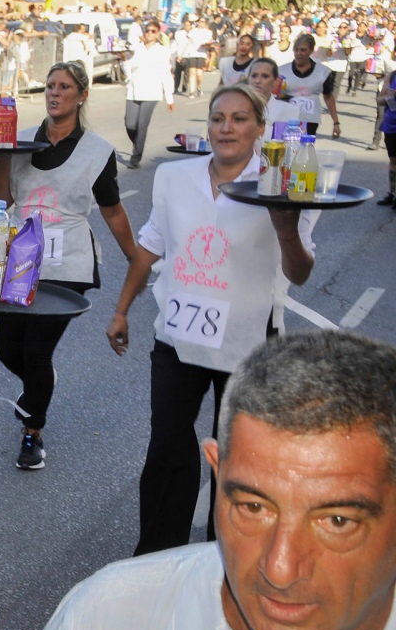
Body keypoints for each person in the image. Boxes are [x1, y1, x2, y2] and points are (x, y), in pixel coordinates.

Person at [31, 330, 396, 630]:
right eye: (253, 507)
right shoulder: (101, 624)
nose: (280, 570)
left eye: (337, 521)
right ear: (218, 474)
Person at [106, 84, 316, 556]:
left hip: (248, 343)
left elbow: (300, 273)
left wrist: (285, 228)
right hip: (179, 337)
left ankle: (230, 556)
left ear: (260, 129)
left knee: (237, 457)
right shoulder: (175, 178)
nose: (227, 128)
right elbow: (150, 245)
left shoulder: (280, 183)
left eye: (240, 119)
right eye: (218, 118)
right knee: (167, 450)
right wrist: (122, 310)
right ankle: (159, 556)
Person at [0, 62, 136, 470]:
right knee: (6, 349)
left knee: (36, 351)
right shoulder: (17, 143)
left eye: (65, 86)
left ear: (81, 95)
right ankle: (40, 385)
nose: (55, 93)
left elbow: (113, 210)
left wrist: (134, 256)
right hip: (21, 257)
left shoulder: (97, 151)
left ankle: (32, 433)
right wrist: (3, 158)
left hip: (68, 261)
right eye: (50, 86)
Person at [120, 20, 175, 169]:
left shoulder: (163, 51)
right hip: (133, 90)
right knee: (130, 124)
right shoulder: (137, 49)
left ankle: (135, 157)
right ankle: (138, 143)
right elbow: (128, 68)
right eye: (147, 30)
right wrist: (124, 61)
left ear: (158, 34)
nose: (149, 33)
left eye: (153, 31)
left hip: (152, 92)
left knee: (142, 125)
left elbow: (166, 74)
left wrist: (169, 98)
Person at [278, 33, 340, 138]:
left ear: (311, 51)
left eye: (303, 50)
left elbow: (328, 96)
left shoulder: (323, 72)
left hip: (310, 119)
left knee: (303, 151)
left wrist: (336, 123)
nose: (298, 53)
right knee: (285, 151)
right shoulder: (281, 71)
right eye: (296, 50)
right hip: (284, 118)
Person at [245, 57, 301, 141]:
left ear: (276, 81)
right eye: (254, 76)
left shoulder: (290, 111)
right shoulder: (233, 108)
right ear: (248, 79)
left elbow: (295, 147)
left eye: (265, 76)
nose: (258, 81)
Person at [375, 64, 396, 207]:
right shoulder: (393, 75)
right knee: (394, 161)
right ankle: (392, 194)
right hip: (392, 124)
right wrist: (390, 97)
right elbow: (379, 99)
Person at [184, 17, 213, 96]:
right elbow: (188, 42)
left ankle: (199, 87)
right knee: (192, 72)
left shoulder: (208, 32)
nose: (202, 23)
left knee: (199, 73)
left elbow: (210, 43)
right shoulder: (193, 31)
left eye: (204, 21)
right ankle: (191, 91)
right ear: (198, 22)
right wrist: (183, 53)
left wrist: (207, 45)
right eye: (201, 21)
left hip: (202, 54)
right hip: (192, 53)